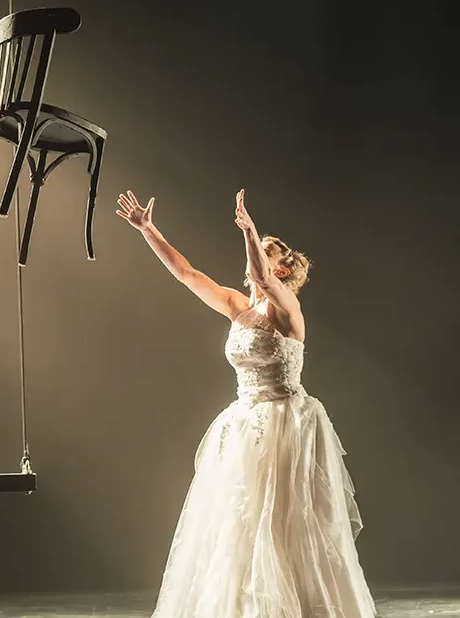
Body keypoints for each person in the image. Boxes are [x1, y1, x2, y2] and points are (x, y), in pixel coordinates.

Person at [117, 189, 376, 617]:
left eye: (264, 251)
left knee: (286, 525)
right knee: (240, 524)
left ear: (283, 267)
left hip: (286, 424)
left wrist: (251, 231)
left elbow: (264, 278)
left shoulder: (287, 308)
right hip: (244, 424)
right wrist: (148, 230)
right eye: (255, 249)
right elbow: (188, 274)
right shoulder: (240, 308)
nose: (253, 256)